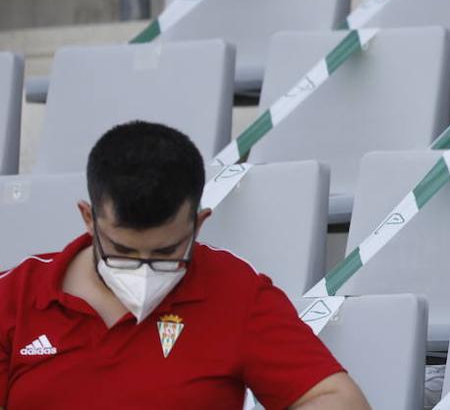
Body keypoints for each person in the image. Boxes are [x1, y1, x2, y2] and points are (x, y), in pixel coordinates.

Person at [0, 122, 369, 410]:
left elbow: (335, 398)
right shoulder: (15, 295)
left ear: (199, 223)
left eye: (164, 253)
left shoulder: (234, 291)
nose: (142, 270)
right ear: (88, 218)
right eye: (122, 250)